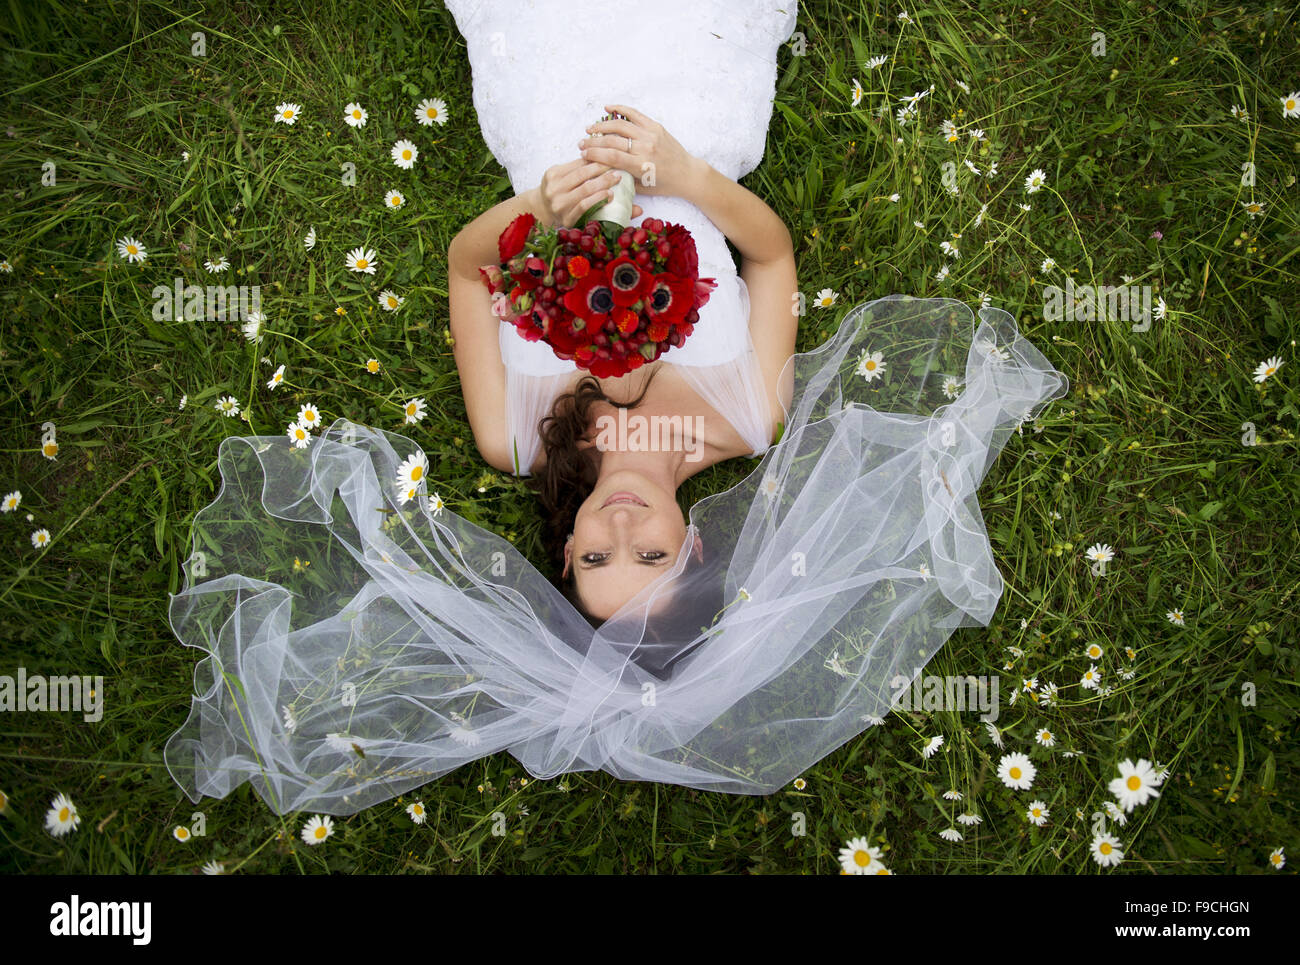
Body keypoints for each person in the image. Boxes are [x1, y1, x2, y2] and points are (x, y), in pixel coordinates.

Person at [163, 0, 1071, 816]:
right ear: (698, 544)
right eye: (653, 554)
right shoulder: (749, 418)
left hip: (549, 111)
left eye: (598, 556)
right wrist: (686, 172)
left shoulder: (511, 435)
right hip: (691, 102)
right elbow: (771, 258)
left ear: (564, 549)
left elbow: (463, 268)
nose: (624, 526)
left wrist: (539, 209)